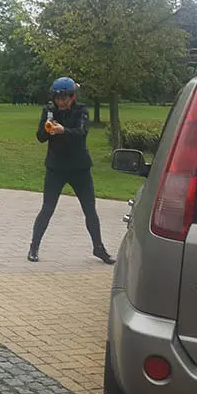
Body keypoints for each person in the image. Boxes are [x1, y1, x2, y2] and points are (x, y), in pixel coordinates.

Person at [27, 77, 116, 265]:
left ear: (72, 97)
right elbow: (40, 137)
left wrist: (64, 131)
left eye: (65, 98)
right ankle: (34, 247)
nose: (61, 102)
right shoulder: (49, 111)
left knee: (90, 209)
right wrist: (47, 127)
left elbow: (82, 133)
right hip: (56, 168)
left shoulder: (81, 111)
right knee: (47, 208)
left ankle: (98, 248)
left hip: (79, 168)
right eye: (58, 98)